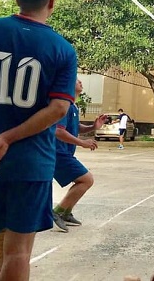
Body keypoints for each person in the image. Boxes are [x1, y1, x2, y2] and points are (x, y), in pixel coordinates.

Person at [0, 0, 77, 281]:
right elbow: (58, 108)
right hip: (30, 162)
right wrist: (8, 138)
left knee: (1, 246)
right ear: (52, 0)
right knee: (18, 253)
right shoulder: (62, 49)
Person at [52, 79, 108, 232]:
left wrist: (93, 127)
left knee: (84, 181)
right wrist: (82, 142)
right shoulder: (64, 104)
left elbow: (75, 127)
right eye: (77, 80)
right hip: (58, 153)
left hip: (65, 153)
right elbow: (58, 131)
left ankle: (66, 212)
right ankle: (58, 211)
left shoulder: (73, 106)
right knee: (86, 179)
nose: (81, 82)